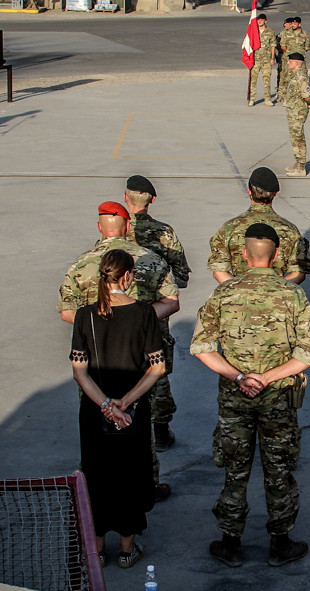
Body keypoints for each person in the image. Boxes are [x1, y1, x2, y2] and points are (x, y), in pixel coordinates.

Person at [191, 223, 310, 568]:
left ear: (244, 254)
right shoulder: (293, 295)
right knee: (278, 470)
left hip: (235, 397)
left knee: (235, 470)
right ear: (277, 255)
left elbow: (202, 347)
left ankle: (230, 542)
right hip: (278, 398)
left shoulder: (223, 293)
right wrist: (266, 378)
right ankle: (280, 543)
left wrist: (240, 376)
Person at [59, 201, 180, 502]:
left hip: (95, 361)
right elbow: (172, 302)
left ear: (99, 228)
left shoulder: (80, 264)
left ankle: (91, 491)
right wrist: (136, 320)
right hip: (137, 361)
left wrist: (98, 325)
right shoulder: (150, 260)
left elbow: (66, 312)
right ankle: (146, 487)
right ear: (127, 228)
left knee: (93, 428)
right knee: (140, 428)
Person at [70, 249, 166, 569]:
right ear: (127, 277)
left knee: (97, 476)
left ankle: (96, 550)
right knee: (129, 475)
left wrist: (107, 405)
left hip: (94, 413)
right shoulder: (143, 313)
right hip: (133, 413)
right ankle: (127, 550)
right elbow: (156, 367)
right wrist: (125, 402)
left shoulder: (85, 315)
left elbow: (79, 371)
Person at [119, 175, 191, 452]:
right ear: (152, 200)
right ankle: (160, 432)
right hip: (154, 317)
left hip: (117, 316)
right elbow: (182, 277)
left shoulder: (116, 233)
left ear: (126, 197)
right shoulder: (165, 233)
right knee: (156, 372)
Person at [208, 167, 310, 283]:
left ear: (249, 191)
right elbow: (298, 273)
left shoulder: (229, 228)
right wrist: (277, 291)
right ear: (275, 194)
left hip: (239, 298)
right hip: (278, 298)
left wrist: (239, 291)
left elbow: (219, 272)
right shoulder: (290, 230)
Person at [281, 53, 310, 177]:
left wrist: (309, 103)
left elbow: (306, 94)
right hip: (294, 111)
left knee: (298, 138)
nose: (288, 63)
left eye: (290, 61)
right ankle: (297, 163)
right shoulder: (297, 75)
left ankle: (301, 167)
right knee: (294, 138)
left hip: (298, 112)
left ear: (296, 63)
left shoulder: (301, 76)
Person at [249, 14, 277, 106]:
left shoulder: (270, 31)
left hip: (266, 59)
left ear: (266, 20)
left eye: (262, 19)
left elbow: (273, 45)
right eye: (258, 20)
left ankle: (267, 99)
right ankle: (252, 99)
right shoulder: (253, 31)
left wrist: (272, 58)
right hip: (255, 59)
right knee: (253, 80)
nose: (260, 21)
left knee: (267, 80)